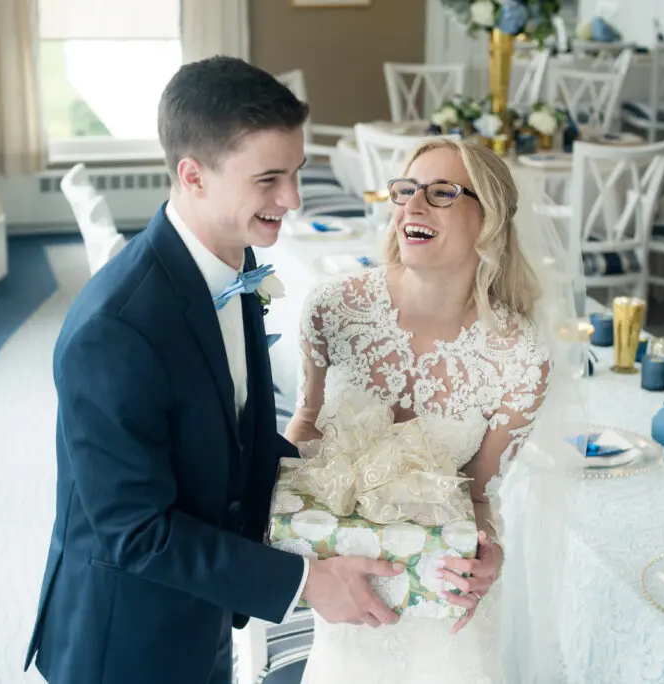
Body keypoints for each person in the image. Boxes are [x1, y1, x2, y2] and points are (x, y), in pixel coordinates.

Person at [23, 56, 403, 684]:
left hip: (202, 611)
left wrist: (353, 496)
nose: (293, 199)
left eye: (296, 172)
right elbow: (137, 533)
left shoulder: (235, 260)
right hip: (127, 638)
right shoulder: (114, 332)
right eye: (269, 179)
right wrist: (306, 581)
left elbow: (236, 437)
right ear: (193, 176)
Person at [284, 138, 553, 683]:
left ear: (489, 220)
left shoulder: (520, 357)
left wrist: (491, 557)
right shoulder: (333, 310)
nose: (413, 205)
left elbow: (479, 494)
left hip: (444, 604)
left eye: (441, 192)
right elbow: (305, 426)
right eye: (406, 190)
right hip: (345, 583)